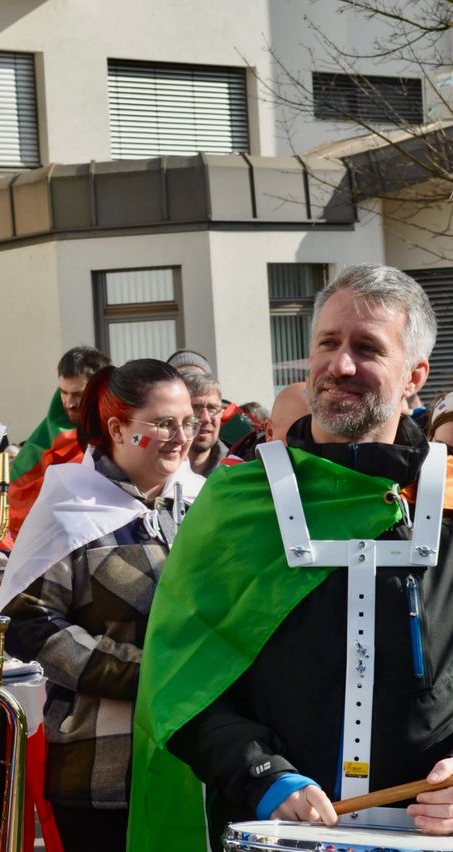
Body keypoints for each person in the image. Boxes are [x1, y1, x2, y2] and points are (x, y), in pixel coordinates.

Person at [129, 263, 453, 851]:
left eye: (367, 348)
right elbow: (180, 680)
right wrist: (261, 773)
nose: (341, 365)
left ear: (415, 377)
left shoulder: (450, 504)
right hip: (271, 830)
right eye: (328, 343)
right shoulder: (238, 503)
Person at [0, 359, 206, 852]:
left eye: (188, 421)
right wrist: (148, 673)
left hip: (199, 758)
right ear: (117, 428)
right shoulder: (71, 505)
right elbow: (29, 622)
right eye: (163, 423)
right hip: (104, 766)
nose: (181, 436)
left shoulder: (201, 502)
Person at [8, 345, 111, 537]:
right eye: (63, 392)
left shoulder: (117, 435)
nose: (69, 403)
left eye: (78, 394)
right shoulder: (44, 438)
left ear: (99, 390)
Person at [182, 371, 230, 476]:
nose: (206, 419)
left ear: (222, 413)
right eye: (195, 407)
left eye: (212, 409)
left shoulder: (235, 470)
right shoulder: (155, 471)